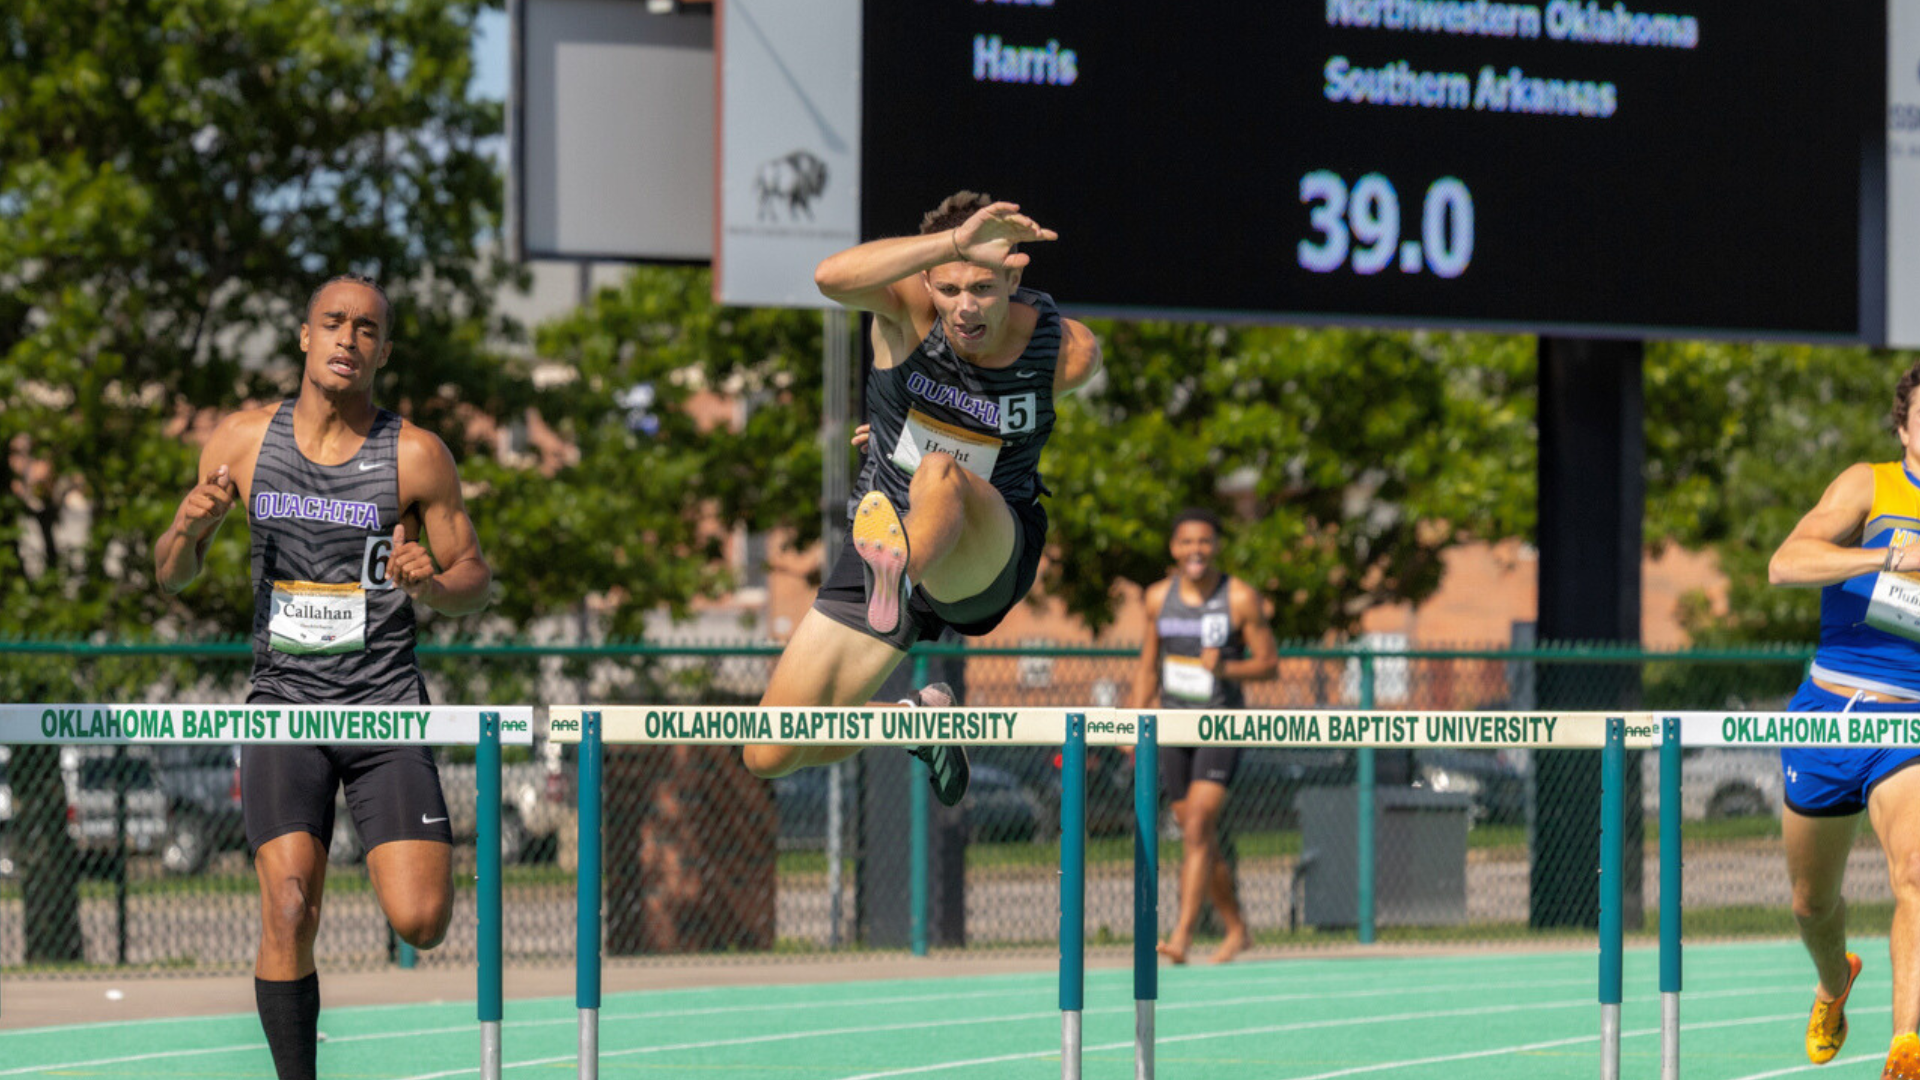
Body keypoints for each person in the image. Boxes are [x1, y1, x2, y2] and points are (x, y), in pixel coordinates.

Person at [153, 274, 492, 1080]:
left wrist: (432, 585)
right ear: (304, 337)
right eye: (333, 324)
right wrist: (191, 535)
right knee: (289, 904)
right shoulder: (240, 439)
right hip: (284, 708)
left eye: (367, 329)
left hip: (383, 709)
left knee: (421, 921)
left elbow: (478, 578)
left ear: (382, 350)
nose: (348, 339)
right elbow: (170, 576)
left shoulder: (414, 453)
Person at [742, 192, 1102, 805]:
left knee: (939, 472)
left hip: (984, 554)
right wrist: (956, 245)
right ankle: (917, 718)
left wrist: (920, 440)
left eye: (985, 289)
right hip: (890, 537)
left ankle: (897, 574)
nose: (966, 309)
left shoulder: (1063, 351)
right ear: (927, 279)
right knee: (770, 751)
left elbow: (981, 432)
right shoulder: (909, 309)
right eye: (951, 288)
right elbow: (830, 276)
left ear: (1013, 275)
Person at [1768, 357, 1920, 1079]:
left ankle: (1906, 1045)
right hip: (1828, 714)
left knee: (1915, 873)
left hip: (1910, 723)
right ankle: (1835, 981)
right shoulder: (1871, 484)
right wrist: (1886, 558)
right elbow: (1786, 563)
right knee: (1810, 903)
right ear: (1904, 425)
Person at [1126, 508, 1278, 964]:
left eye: (1205, 542)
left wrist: (1227, 667)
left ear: (1217, 547)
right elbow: (1148, 666)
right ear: (1174, 549)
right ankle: (1236, 928)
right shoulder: (1157, 598)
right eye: (1187, 542)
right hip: (1173, 723)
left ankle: (1182, 935)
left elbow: (1270, 664)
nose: (1196, 551)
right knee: (1199, 834)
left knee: (1195, 826)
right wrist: (1135, 722)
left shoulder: (1240, 599)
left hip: (1220, 722)